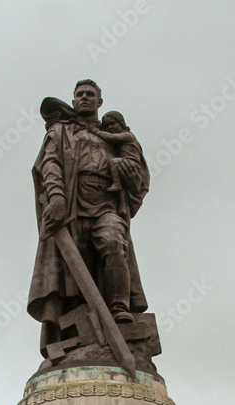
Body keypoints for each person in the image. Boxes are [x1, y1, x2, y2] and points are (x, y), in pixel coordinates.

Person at [28, 79, 150, 354]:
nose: (84, 98)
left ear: (100, 102)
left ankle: (119, 308)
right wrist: (57, 196)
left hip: (106, 204)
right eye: (79, 95)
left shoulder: (116, 135)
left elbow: (139, 176)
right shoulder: (60, 132)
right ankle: (78, 335)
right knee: (72, 274)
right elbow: (50, 164)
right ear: (73, 101)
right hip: (72, 207)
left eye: (90, 94)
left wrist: (132, 179)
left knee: (112, 242)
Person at [94, 111, 144, 193]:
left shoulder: (127, 135)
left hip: (130, 164)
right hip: (125, 163)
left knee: (114, 162)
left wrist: (96, 132)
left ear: (121, 123)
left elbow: (110, 137)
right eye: (106, 126)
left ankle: (116, 183)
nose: (110, 127)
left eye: (112, 123)